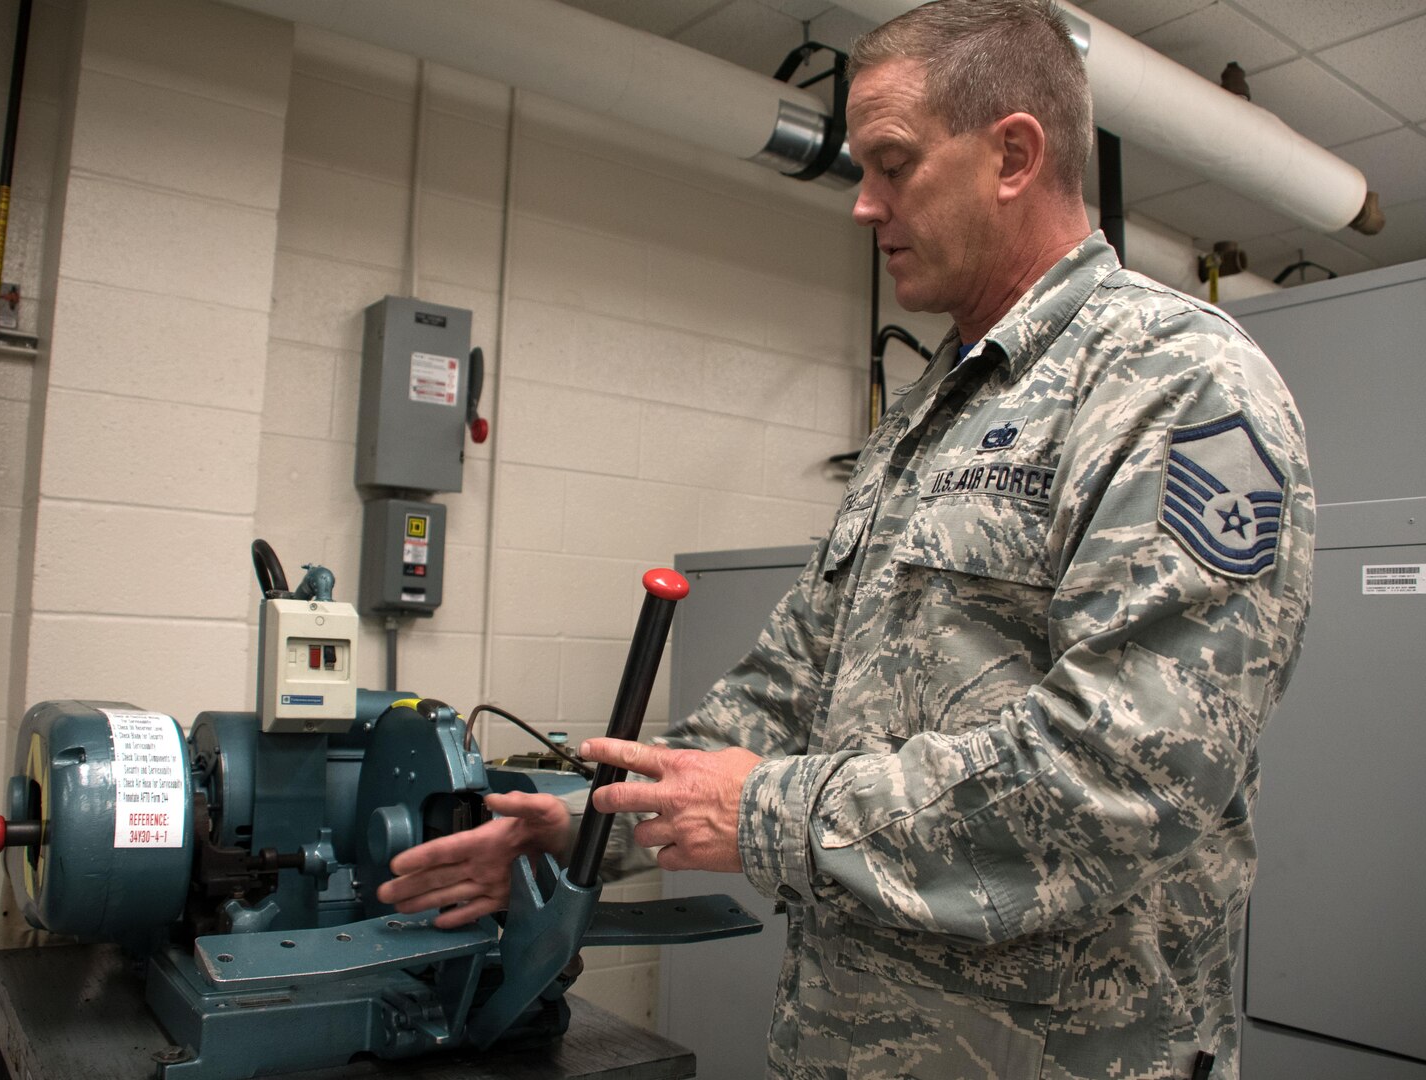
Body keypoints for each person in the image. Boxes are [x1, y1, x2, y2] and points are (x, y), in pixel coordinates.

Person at [378, 2, 1315, 1076]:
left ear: (1013, 154)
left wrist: (764, 813)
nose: (864, 203)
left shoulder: (1175, 382)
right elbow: (789, 689)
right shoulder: (931, 412)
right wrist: (590, 823)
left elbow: (1125, 773)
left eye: (894, 163)